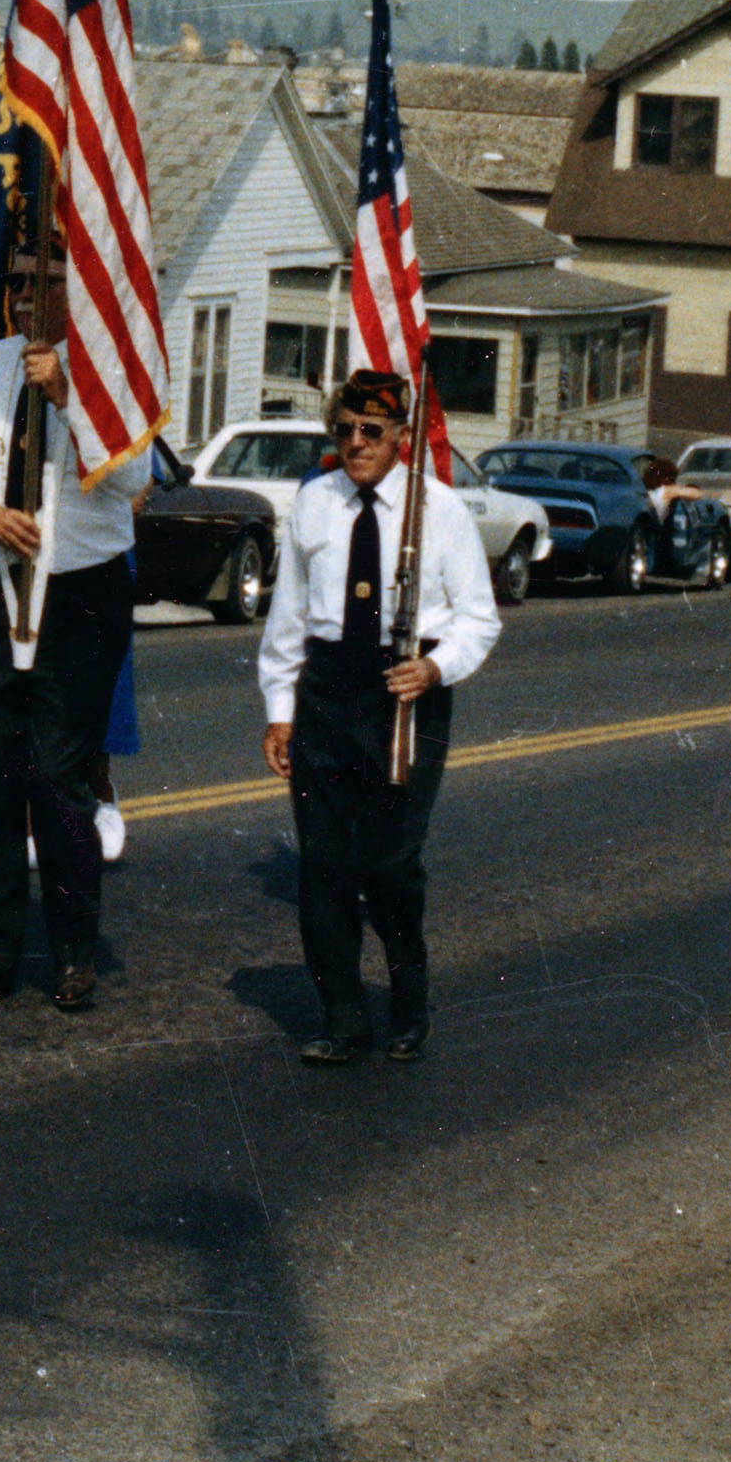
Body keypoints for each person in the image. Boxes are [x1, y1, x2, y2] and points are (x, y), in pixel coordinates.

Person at [0, 265, 144, 1012]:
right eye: (15, 278)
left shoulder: (111, 373)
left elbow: (133, 476)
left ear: (76, 290)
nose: (21, 294)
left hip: (78, 592)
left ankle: (73, 952)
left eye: (43, 280)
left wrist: (69, 398)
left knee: (58, 773)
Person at [258, 370, 501, 1065]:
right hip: (329, 691)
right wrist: (280, 711)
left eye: (370, 431)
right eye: (343, 431)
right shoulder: (314, 503)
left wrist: (434, 667)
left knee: (390, 863)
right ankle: (342, 1018)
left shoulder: (441, 511)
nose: (355, 444)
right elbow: (288, 618)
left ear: (400, 435)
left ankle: (408, 1003)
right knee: (325, 863)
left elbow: (479, 622)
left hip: (405, 694)